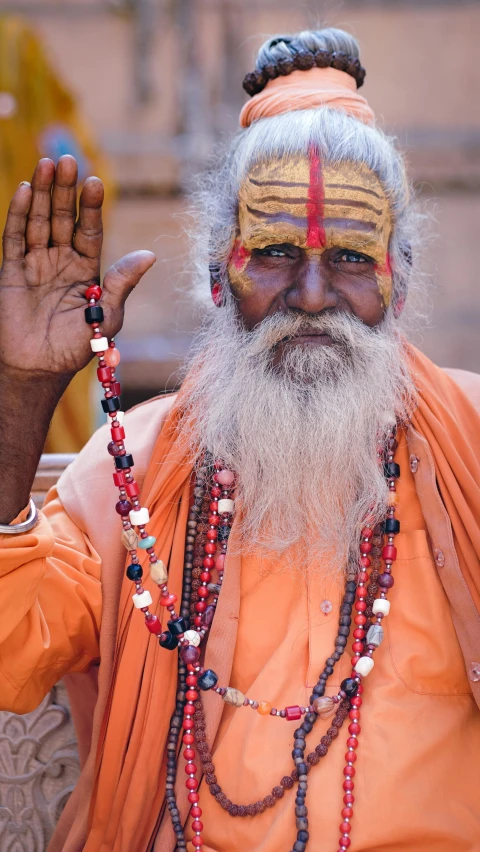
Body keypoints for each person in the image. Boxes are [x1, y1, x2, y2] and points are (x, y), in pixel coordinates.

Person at [0, 27, 479, 852]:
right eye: (278, 254)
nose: (314, 293)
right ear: (220, 271)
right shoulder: (136, 471)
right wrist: (21, 390)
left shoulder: (471, 446)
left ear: (399, 276)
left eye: (353, 260)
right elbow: (13, 647)